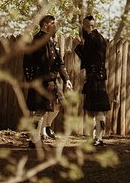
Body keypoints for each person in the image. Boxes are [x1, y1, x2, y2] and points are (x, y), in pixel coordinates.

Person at [22, 14, 70, 148]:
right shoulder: (39, 39)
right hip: (42, 80)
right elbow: (41, 63)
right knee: (40, 110)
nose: (54, 25)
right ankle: (34, 140)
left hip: (51, 80)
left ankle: (45, 128)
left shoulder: (49, 40)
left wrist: (66, 79)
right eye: (52, 23)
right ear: (45, 25)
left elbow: (58, 62)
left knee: (58, 104)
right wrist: (48, 80)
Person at [73, 14, 111, 147]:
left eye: (83, 25)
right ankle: (92, 138)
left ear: (87, 25)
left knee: (98, 109)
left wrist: (77, 47)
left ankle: (98, 138)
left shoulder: (93, 38)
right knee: (90, 109)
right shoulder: (95, 38)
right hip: (94, 76)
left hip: (95, 77)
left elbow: (87, 58)